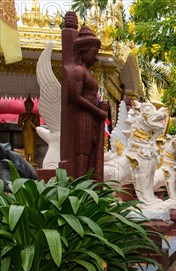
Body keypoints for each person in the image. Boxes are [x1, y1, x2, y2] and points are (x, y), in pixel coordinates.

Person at [64, 26, 108, 179]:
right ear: (83, 53)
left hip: (90, 116)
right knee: (82, 152)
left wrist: (99, 108)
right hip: (82, 116)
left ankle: (89, 183)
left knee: (89, 151)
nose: (96, 58)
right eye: (94, 53)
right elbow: (75, 97)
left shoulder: (86, 72)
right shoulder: (78, 71)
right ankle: (80, 183)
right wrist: (98, 111)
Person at [17, 95, 41, 166]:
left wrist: (30, 122)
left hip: (32, 133)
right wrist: (25, 119)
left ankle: (32, 160)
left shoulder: (35, 116)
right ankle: (27, 159)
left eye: (30, 105)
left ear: (33, 106)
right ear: (25, 106)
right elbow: (19, 125)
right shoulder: (22, 115)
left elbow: (37, 127)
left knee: (32, 146)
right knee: (26, 146)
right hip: (25, 133)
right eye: (27, 105)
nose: (28, 107)